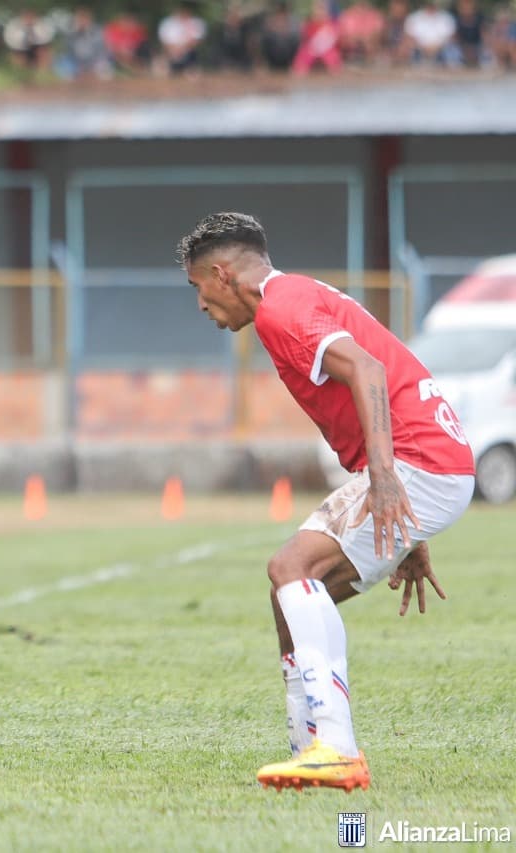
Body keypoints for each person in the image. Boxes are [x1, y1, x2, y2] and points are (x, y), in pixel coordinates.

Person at [176, 212, 475, 791]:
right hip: (430, 461)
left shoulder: (282, 310)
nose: (201, 307)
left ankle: (336, 749)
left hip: (418, 461)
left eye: (198, 290)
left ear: (220, 274)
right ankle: (308, 748)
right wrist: (409, 531)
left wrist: (387, 477)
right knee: (290, 592)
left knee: (292, 567)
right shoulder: (294, 295)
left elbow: (367, 367)